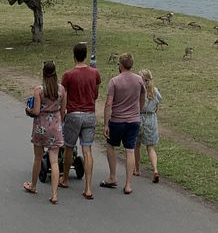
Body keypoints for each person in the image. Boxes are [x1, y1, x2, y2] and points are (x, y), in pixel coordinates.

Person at [60, 42, 101, 199]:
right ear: (85, 55)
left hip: (74, 114)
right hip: (89, 114)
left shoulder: (68, 75)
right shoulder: (94, 73)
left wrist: (62, 113)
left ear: (74, 55)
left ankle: (64, 178)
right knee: (87, 150)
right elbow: (96, 94)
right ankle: (88, 187)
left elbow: (63, 95)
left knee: (69, 147)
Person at [101, 52, 145, 195]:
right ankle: (128, 184)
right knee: (130, 150)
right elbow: (142, 97)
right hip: (134, 120)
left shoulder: (114, 81)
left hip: (118, 120)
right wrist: (139, 110)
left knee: (111, 145)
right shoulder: (139, 80)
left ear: (120, 65)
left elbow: (108, 103)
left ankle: (113, 176)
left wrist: (106, 123)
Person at [23, 61, 66, 204]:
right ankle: (54, 194)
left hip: (41, 126)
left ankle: (33, 185)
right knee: (54, 161)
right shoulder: (61, 89)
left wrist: (28, 111)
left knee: (38, 157)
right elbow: (63, 110)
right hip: (55, 125)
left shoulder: (39, 90)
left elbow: (36, 111)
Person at [134, 68, 162, 183]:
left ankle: (137, 168)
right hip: (151, 118)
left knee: (137, 145)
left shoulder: (138, 91)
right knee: (150, 147)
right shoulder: (155, 91)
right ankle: (155, 169)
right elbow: (157, 105)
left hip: (139, 118)